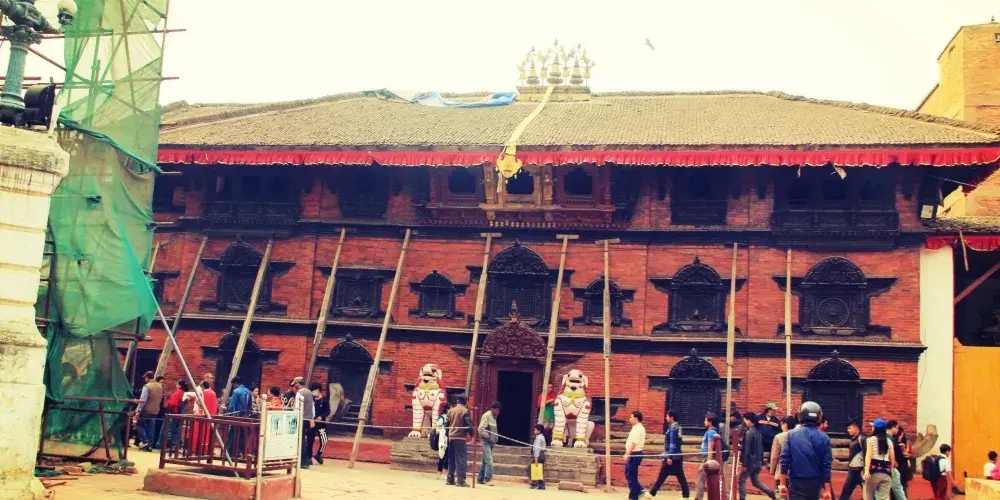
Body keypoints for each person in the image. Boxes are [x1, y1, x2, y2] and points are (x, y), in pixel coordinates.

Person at [779, 401, 833, 500]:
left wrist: (782, 484)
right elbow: (826, 465)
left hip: (796, 482)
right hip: (815, 484)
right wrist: (827, 490)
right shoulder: (824, 438)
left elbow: (784, 460)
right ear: (819, 417)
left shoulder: (790, 435)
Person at [646, 410, 689, 499]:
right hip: (677, 456)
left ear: (671, 417)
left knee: (662, 475)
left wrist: (670, 456)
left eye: (667, 416)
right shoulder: (678, 427)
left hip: (672, 457)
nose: (666, 418)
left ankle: (652, 493)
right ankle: (686, 495)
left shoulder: (673, 428)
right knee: (680, 476)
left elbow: (673, 443)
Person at [739, 412, 777, 500]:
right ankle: (770, 492)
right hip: (757, 461)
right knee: (755, 482)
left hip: (750, 462)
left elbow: (747, 449)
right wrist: (761, 462)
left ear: (749, 420)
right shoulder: (758, 432)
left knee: (742, 480)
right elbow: (760, 448)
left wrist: (744, 464)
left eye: (745, 420)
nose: (744, 422)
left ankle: (742, 498)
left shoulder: (749, 432)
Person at [863, 419, 895, 500]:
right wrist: (891, 470)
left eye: (873, 426)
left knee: (868, 495)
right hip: (886, 473)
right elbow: (892, 458)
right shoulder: (889, 441)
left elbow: (868, 456)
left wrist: (866, 470)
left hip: (874, 471)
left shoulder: (870, 440)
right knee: (884, 498)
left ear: (876, 429)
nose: (872, 428)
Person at [694, 413, 723, 500]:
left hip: (708, 457)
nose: (704, 422)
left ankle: (698, 497)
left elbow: (710, 447)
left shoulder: (711, 432)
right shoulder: (710, 432)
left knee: (701, 477)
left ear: (710, 422)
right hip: (706, 457)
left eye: (706, 420)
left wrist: (708, 462)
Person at [446, 396, 473, 487]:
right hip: (460, 438)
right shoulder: (465, 411)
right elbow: (468, 425)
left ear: (458, 401)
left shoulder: (450, 411)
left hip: (451, 437)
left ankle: (450, 479)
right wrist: (472, 435)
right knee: (461, 460)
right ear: (466, 402)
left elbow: (446, 425)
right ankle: (461, 480)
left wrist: (448, 435)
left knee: (451, 459)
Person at [133, 371, 162, 451]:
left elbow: (143, 400)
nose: (144, 379)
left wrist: (138, 410)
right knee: (151, 428)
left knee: (139, 425)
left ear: (147, 377)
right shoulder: (160, 386)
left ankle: (146, 441)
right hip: (155, 410)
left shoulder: (147, 386)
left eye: (145, 378)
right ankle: (150, 445)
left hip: (146, 410)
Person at [290, 377, 316, 469]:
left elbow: (297, 408)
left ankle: (303, 461)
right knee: (304, 439)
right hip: (308, 419)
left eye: (295, 384)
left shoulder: (299, 393)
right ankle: (305, 460)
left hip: (301, 418)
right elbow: (312, 406)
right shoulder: (309, 392)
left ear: (298, 383)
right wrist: (312, 419)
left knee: (300, 440)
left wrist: (294, 418)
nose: (294, 386)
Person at [159, 379, 190, 450]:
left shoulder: (178, 392)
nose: (176, 385)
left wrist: (168, 407)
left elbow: (173, 403)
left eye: (177, 384)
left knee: (168, 429)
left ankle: (169, 445)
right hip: (179, 414)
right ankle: (176, 445)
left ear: (180, 386)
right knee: (176, 430)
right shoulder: (184, 393)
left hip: (173, 413)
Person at [839, 421, 866, 500]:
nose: (848, 430)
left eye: (849, 428)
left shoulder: (862, 438)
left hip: (859, 471)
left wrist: (864, 469)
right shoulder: (853, 439)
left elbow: (867, 454)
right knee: (846, 491)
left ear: (855, 427)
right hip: (853, 470)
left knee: (867, 492)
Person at [477, 401, 501, 486]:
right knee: (489, 461)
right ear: (493, 409)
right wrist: (489, 436)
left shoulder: (494, 417)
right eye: (497, 410)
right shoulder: (486, 415)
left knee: (485, 461)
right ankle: (488, 479)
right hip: (486, 442)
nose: (498, 412)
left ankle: (480, 478)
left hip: (491, 442)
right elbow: (480, 429)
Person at [624, 410, 647, 500]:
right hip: (633, 454)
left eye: (631, 417)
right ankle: (638, 490)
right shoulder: (635, 428)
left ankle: (634, 496)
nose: (630, 419)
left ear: (636, 418)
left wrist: (627, 453)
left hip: (635, 454)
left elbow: (634, 443)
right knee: (628, 473)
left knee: (631, 475)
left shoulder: (638, 429)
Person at [771, 416, 797, 489]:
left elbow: (774, 456)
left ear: (785, 424)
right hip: (796, 472)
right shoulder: (799, 436)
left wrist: (772, 470)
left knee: (780, 492)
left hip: (781, 471)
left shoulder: (779, 437)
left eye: (781, 424)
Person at [886, 420, 909, 500]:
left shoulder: (888, 439)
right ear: (892, 427)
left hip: (889, 467)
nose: (897, 430)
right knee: (898, 490)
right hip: (894, 468)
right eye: (897, 428)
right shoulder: (890, 439)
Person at [310, 383, 330, 465]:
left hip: (321, 424)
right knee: (310, 440)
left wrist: (321, 417)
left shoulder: (324, 400)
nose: (313, 392)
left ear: (318, 390)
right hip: (312, 423)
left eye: (313, 390)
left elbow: (328, 411)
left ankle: (318, 454)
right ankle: (308, 456)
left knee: (324, 440)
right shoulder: (312, 400)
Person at [434, 402, 450, 480]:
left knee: (442, 456)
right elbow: (439, 429)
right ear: (447, 409)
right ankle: (444, 473)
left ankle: (439, 473)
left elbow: (437, 430)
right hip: (444, 439)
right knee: (446, 456)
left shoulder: (441, 418)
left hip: (442, 439)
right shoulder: (445, 418)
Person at [530, 424, 548, 490]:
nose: (534, 431)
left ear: (539, 431)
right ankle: (540, 485)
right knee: (540, 470)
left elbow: (537, 449)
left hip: (539, 455)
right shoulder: (541, 437)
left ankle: (535, 483)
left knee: (529, 468)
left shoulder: (539, 438)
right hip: (541, 454)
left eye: (535, 430)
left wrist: (536, 458)